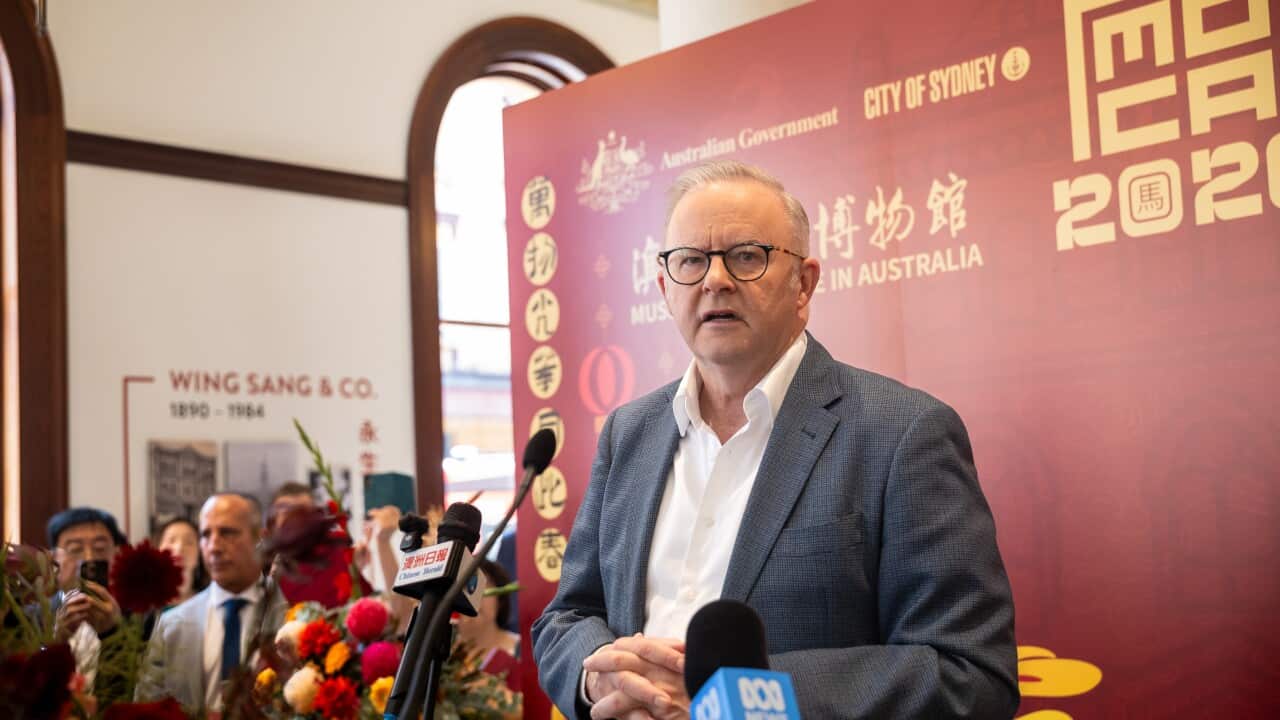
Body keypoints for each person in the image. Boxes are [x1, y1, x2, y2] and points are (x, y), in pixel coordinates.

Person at [531, 160, 1018, 719]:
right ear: (666, 289)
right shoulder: (629, 432)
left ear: (803, 283)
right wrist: (603, 677)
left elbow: (970, 675)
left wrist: (747, 698)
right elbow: (567, 616)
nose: (715, 279)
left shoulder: (904, 433)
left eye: (746, 256)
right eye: (691, 260)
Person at [135, 492, 287, 710]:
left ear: (259, 539)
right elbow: (145, 708)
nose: (214, 547)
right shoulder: (172, 625)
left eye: (227, 533)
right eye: (206, 535)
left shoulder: (292, 615)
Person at [45, 507, 126, 689]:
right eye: (75, 550)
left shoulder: (142, 618)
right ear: (54, 560)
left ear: (117, 554)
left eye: (100, 549)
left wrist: (113, 633)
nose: (89, 558)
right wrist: (56, 643)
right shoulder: (32, 618)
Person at [454, 559, 521, 691]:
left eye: (483, 589)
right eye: (463, 589)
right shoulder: (438, 655)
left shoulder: (524, 651)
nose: (473, 600)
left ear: (500, 601)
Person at [156, 518, 209, 606]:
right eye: (171, 540)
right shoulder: (140, 606)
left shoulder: (211, 603)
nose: (179, 548)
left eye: (189, 542)